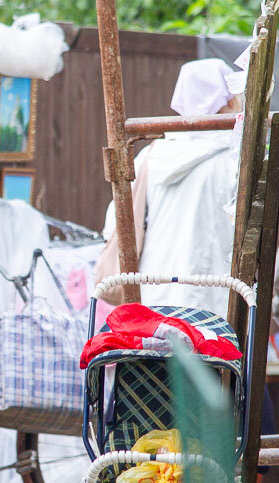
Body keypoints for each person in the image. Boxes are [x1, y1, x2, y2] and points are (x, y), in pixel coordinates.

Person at [97, 58, 241, 315]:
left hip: (156, 296)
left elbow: (115, 221)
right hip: (215, 298)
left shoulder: (153, 155)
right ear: (228, 99)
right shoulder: (236, 157)